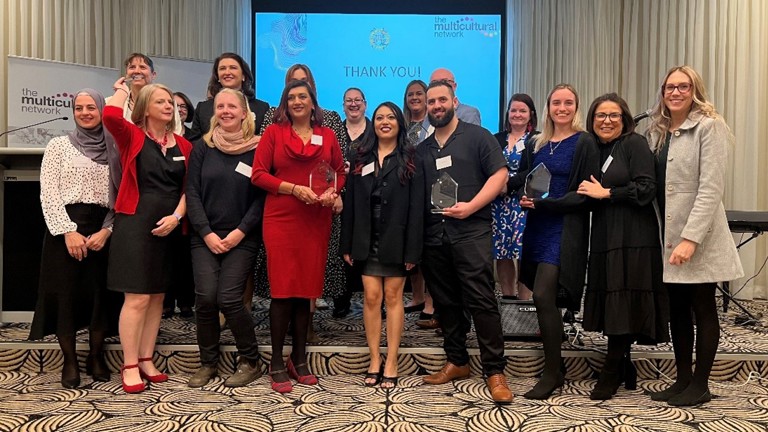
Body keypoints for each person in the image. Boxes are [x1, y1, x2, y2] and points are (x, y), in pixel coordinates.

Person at [645, 66, 743, 406]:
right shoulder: (658, 131)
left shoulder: (709, 126)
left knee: (703, 307)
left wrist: (691, 239)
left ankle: (700, 385)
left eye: (683, 87)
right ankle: (682, 379)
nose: (675, 92)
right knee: (677, 310)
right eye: (669, 87)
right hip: (669, 236)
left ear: (694, 90)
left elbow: (710, 188)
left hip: (698, 237)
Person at [418, 80, 513, 403]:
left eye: (442, 100)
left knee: (481, 301)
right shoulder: (423, 149)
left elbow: (500, 175)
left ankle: (495, 371)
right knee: (445, 303)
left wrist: (471, 206)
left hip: (471, 232)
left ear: (455, 101)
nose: (437, 106)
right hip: (435, 236)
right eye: (431, 102)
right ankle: (457, 361)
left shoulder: (478, 137)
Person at [251, 80, 346, 393]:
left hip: (315, 220)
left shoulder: (327, 135)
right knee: (282, 291)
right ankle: (277, 361)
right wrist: (292, 189)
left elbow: (339, 171)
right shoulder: (273, 133)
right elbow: (258, 175)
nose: (297, 101)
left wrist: (333, 191)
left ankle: (299, 358)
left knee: (306, 290)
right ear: (285, 103)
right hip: (281, 218)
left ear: (312, 101)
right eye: (291, 97)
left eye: (302, 96)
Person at [576, 93, 669, 400]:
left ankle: (612, 369)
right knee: (615, 298)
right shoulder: (595, 149)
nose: (607, 121)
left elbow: (647, 188)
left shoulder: (634, 144)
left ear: (624, 119)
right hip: (605, 233)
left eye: (613, 115)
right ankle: (623, 365)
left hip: (634, 236)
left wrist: (608, 193)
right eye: (600, 115)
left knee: (624, 297)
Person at [104, 81, 193, 394]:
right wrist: (123, 90)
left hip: (170, 226)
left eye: (170, 102)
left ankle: (145, 358)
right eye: (160, 101)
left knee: (157, 297)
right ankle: (129, 364)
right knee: (138, 297)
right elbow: (110, 116)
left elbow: (189, 189)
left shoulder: (184, 146)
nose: (168, 106)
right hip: (135, 224)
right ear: (144, 107)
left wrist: (176, 217)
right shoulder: (132, 136)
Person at [29, 88, 121, 388]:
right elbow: (49, 193)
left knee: (100, 295)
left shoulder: (114, 148)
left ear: (102, 110)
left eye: (91, 107)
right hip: (64, 229)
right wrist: (68, 231)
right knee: (65, 295)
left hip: (102, 228)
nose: (85, 113)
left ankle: (96, 355)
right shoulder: (57, 145)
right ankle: (69, 361)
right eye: (79, 108)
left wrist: (107, 230)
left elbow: (123, 194)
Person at [513, 83, 599, 400]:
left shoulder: (584, 142)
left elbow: (585, 194)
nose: (562, 108)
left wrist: (546, 204)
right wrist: (519, 194)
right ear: (548, 107)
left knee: (542, 296)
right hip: (536, 226)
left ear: (576, 107)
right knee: (542, 297)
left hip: (564, 228)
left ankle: (552, 373)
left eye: (568, 103)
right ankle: (555, 365)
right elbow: (524, 179)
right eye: (556, 103)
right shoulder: (536, 142)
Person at [185, 89, 265, 388]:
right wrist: (206, 232)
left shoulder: (258, 149)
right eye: (220, 106)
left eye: (232, 106)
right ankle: (208, 363)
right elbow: (192, 192)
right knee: (206, 298)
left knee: (229, 298)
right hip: (204, 236)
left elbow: (261, 198)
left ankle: (250, 361)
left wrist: (239, 232)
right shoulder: (202, 148)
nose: (226, 111)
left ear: (245, 112)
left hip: (242, 236)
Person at [341, 102, 424, 388]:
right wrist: (347, 243)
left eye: (390, 117)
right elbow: (351, 202)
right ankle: (375, 358)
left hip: (397, 238)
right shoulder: (360, 156)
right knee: (371, 296)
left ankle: (392, 361)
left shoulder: (411, 157)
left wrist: (413, 249)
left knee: (393, 296)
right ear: (372, 123)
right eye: (379, 118)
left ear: (400, 123)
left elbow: (416, 208)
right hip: (366, 236)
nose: (384, 122)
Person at [333, 87, 373, 318]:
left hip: (368, 198)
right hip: (341, 198)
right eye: (349, 100)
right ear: (343, 105)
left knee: (369, 248)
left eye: (358, 100)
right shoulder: (335, 131)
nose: (353, 104)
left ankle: (374, 301)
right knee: (342, 249)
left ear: (365, 104)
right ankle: (341, 301)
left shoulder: (374, 131)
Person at [493, 94, 537, 302]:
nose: (517, 114)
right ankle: (508, 298)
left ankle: (524, 300)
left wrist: (508, 185)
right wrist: (497, 186)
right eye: (513, 110)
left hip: (522, 202)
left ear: (530, 115)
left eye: (522, 111)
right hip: (498, 204)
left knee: (522, 252)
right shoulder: (496, 139)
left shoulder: (537, 140)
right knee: (503, 251)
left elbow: (534, 170)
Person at [401, 79, 435, 323]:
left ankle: (431, 303)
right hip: (406, 189)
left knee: (429, 249)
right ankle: (417, 297)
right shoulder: (402, 125)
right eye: (410, 94)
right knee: (411, 245)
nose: (414, 98)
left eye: (419, 94)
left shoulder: (434, 125)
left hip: (430, 189)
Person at [188, 52, 270, 142]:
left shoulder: (262, 108)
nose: (227, 72)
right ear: (217, 76)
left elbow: (266, 143)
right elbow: (194, 142)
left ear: (243, 75)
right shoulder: (203, 108)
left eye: (233, 68)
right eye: (222, 68)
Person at [418, 68, 481, 140]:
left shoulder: (468, 113)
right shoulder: (430, 116)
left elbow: (471, 142)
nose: (439, 86)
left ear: (454, 86)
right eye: (434, 83)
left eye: (444, 82)